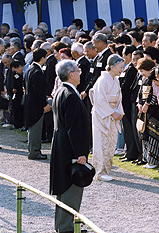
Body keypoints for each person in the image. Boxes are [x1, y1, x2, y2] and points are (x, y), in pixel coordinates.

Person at [50, 60, 91, 232]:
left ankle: (63, 224)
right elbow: (74, 128)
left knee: (64, 188)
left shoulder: (61, 91)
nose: (80, 73)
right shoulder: (70, 95)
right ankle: (66, 227)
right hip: (69, 149)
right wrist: (80, 153)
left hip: (61, 145)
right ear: (71, 74)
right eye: (78, 70)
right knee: (70, 188)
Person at [90, 54, 125, 181]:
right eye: (120, 67)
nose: (122, 69)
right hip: (102, 115)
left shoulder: (115, 80)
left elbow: (118, 99)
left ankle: (107, 170)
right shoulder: (102, 80)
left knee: (110, 143)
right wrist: (111, 112)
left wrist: (119, 111)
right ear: (112, 67)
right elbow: (99, 99)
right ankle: (100, 171)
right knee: (101, 143)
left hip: (112, 112)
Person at [136, 58, 159, 168]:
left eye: (143, 71)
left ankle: (155, 160)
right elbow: (140, 93)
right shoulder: (144, 79)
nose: (142, 73)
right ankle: (147, 159)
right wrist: (139, 103)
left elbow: (154, 95)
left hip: (154, 111)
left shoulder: (153, 80)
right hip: (144, 111)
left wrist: (147, 104)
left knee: (155, 135)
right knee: (145, 134)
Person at [24, 48, 51, 160]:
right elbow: (38, 91)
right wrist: (44, 104)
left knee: (32, 128)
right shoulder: (37, 71)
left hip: (30, 102)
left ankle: (33, 150)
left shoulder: (30, 68)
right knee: (36, 128)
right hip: (36, 104)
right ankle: (34, 152)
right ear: (42, 58)